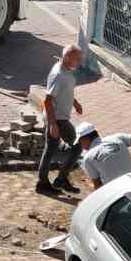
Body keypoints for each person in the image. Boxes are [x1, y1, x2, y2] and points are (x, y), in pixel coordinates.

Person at [37, 44, 87, 195]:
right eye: (77, 58)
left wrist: (75, 103)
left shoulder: (66, 70)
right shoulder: (59, 75)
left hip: (59, 117)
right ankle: (61, 179)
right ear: (67, 57)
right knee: (78, 146)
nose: (79, 61)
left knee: (50, 149)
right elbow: (47, 100)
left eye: (80, 58)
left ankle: (43, 183)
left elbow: (66, 91)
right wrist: (53, 124)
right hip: (58, 119)